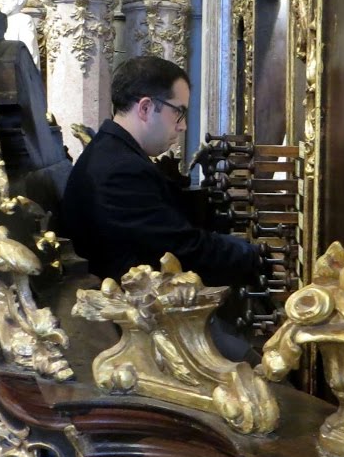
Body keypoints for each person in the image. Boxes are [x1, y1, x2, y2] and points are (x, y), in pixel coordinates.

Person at [61, 56, 262, 288]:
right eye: (179, 112)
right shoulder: (121, 170)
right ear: (146, 108)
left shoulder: (116, 154)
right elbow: (181, 250)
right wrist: (255, 256)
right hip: (135, 310)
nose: (183, 125)